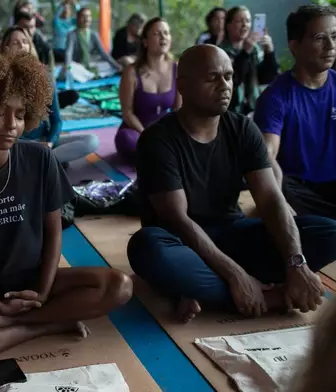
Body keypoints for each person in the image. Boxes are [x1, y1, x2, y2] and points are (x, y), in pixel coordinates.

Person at [0, 49, 133, 367]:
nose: (11, 125)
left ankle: (23, 323)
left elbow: (53, 232)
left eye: (19, 115)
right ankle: (46, 324)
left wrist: (43, 292)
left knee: (119, 286)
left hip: (37, 279)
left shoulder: (40, 159)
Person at [127, 44, 336, 323]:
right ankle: (266, 296)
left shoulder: (241, 128)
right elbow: (178, 220)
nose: (225, 85)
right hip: (181, 244)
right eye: (213, 78)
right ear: (183, 86)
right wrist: (236, 274)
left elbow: (271, 200)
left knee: (328, 231)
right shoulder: (158, 139)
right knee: (146, 247)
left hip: (233, 235)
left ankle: (199, 291)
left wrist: (296, 263)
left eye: (229, 76)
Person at [254, 5, 336, 219]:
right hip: (300, 190)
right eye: (319, 38)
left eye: (334, 36)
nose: (331, 46)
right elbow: (267, 155)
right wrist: (278, 197)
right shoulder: (275, 97)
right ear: (295, 46)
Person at [0, 26, 98, 165]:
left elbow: (56, 121)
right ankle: (48, 162)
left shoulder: (44, 77)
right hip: (17, 144)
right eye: (15, 42)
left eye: (25, 41)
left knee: (91, 141)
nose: (22, 45)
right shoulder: (0, 79)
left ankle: (44, 161)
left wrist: (49, 142)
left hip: (44, 140)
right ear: (6, 48)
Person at [116, 17, 181, 165]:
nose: (163, 37)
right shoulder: (131, 72)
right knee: (128, 140)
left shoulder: (176, 69)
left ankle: (163, 157)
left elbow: (178, 110)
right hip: (137, 131)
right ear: (145, 42)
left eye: (166, 33)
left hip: (165, 132)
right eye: (157, 33)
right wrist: (147, 135)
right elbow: (127, 113)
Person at [219, 6, 279, 115]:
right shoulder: (220, 51)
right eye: (239, 21)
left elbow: (267, 78)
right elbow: (234, 79)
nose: (244, 25)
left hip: (253, 109)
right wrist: (245, 53)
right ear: (228, 25)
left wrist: (269, 52)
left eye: (248, 21)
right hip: (229, 110)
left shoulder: (254, 49)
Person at [65, 8, 121, 76]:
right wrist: (68, 68)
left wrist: (117, 66)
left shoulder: (94, 34)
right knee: (71, 68)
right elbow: (68, 53)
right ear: (78, 18)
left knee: (107, 66)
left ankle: (89, 75)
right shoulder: (72, 35)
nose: (86, 19)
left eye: (88, 16)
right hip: (77, 67)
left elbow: (103, 53)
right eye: (83, 16)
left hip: (91, 65)